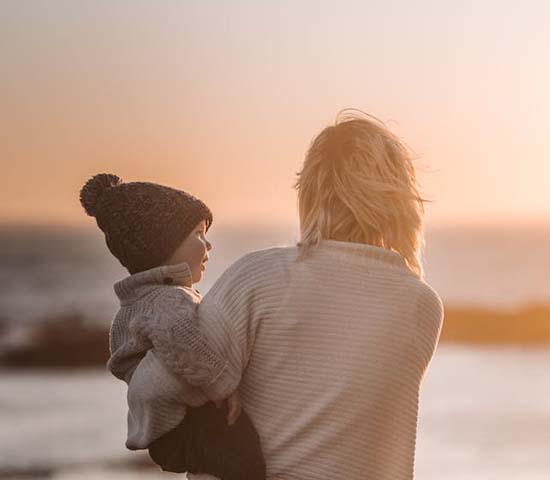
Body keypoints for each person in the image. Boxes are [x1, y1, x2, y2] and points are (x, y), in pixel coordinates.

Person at [146, 110, 444, 479]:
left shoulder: (257, 278)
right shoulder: (421, 306)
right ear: (399, 200)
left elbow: (164, 395)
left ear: (311, 192)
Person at [78, 173, 266, 480]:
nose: (209, 245)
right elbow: (186, 345)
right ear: (161, 244)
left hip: (167, 430)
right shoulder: (167, 301)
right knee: (246, 460)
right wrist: (224, 387)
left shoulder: (138, 300)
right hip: (183, 426)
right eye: (198, 234)